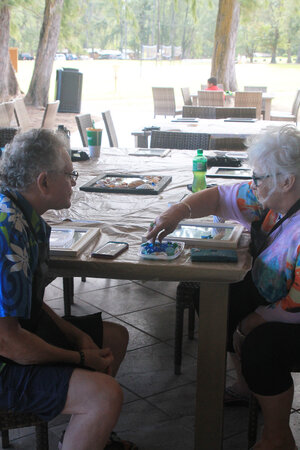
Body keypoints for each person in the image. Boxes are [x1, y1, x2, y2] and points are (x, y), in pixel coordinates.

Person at [147, 125, 300, 450]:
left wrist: (254, 320)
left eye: (260, 177)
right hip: (275, 294)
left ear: (287, 181)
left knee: (260, 345)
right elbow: (218, 195)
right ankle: (247, 388)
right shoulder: (275, 199)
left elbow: (297, 303)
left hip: (295, 310)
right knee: (216, 297)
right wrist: (180, 210)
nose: (253, 183)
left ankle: (276, 436)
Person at [0, 129, 137, 450]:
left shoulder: (21, 216)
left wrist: (75, 335)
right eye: (69, 174)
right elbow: (9, 342)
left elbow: (23, 300)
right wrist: (78, 356)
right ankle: (92, 417)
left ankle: (90, 436)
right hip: (5, 358)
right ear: (43, 182)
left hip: (14, 338)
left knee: (113, 338)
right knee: (106, 394)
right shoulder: (9, 231)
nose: (74, 181)